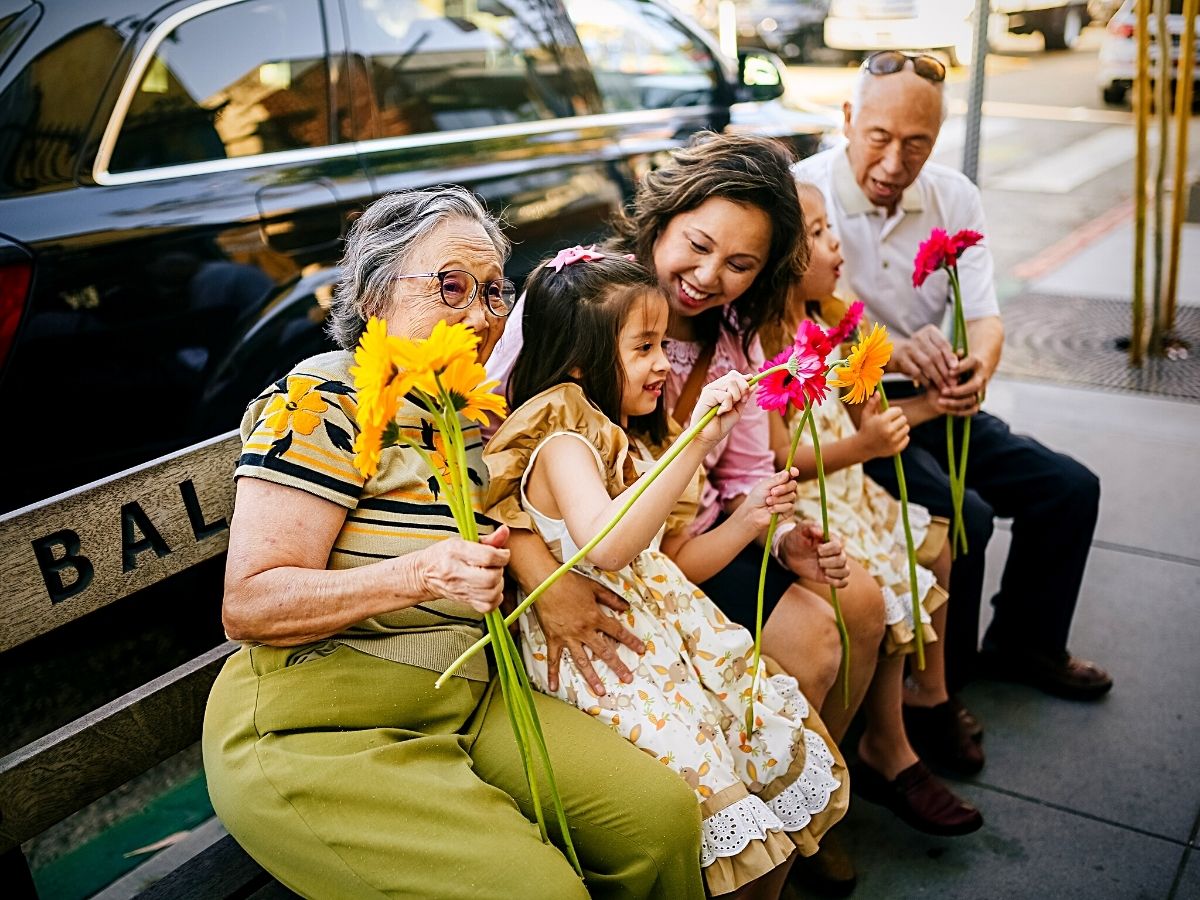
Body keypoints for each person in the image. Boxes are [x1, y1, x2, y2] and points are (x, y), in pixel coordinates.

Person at [202, 187, 706, 900]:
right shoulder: (324, 400)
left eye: (495, 292)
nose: (479, 313)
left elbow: (531, 517)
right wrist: (420, 575)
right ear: (378, 295)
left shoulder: (472, 415)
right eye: (450, 287)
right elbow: (249, 605)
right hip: (321, 726)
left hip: (467, 702)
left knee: (661, 820)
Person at [485, 248, 849, 899]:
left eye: (662, 344)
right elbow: (611, 546)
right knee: (708, 782)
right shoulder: (563, 438)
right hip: (606, 661)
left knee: (748, 741)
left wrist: (743, 519)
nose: (663, 363)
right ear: (577, 360)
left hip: (661, 640)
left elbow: (659, 555)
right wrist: (699, 442)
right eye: (644, 346)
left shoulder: (611, 438)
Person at [792, 51, 1110, 710]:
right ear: (848, 118)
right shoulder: (804, 194)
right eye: (879, 138)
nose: (892, 164)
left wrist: (977, 372)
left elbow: (986, 317)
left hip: (938, 399)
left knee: (1070, 490)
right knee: (966, 518)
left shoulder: (953, 195)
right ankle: (939, 689)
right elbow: (821, 317)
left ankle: (1026, 642)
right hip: (856, 410)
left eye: (917, 145)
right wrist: (903, 354)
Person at [763, 182, 985, 786]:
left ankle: (926, 698)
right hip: (814, 502)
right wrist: (865, 446)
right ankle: (885, 742)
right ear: (782, 258)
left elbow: (873, 417)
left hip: (852, 490)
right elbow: (783, 457)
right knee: (894, 573)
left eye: (831, 227)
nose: (836, 243)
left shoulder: (834, 320)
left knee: (937, 546)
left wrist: (936, 406)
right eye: (816, 234)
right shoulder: (769, 346)